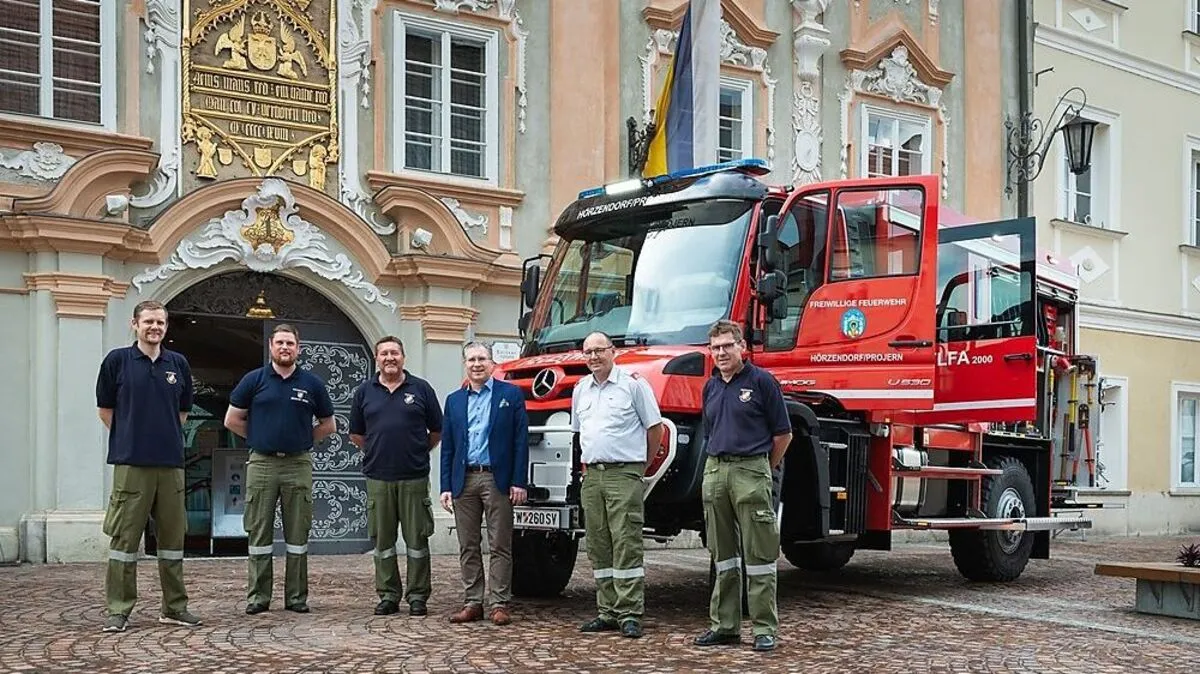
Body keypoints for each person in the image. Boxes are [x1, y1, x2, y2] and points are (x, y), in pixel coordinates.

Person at [95, 300, 201, 633]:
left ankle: (174, 607)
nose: (155, 327)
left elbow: (182, 413)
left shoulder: (178, 364)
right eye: (149, 322)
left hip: (171, 464)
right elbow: (105, 409)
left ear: (166, 327)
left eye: (160, 322)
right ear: (135, 324)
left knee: (172, 540)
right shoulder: (118, 361)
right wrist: (131, 435)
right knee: (124, 542)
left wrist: (161, 435)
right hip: (131, 464)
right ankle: (119, 609)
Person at [693, 319, 792, 652]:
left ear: (742, 347)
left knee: (760, 556)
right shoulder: (711, 386)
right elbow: (709, 432)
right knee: (723, 557)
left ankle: (764, 628)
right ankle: (725, 626)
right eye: (715, 347)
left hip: (751, 470)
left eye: (726, 346)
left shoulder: (762, 382)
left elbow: (784, 434)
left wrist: (764, 468)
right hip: (716, 470)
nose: (721, 353)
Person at [224, 323, 336, 615]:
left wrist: (302, 439)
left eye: (290, 344)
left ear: (298, 349)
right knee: (259, 531)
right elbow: (232, 420)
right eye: (280, 343)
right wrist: (259, 436)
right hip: (262, 462)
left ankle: (296, 597)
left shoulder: (312, 384)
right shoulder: (254, 380)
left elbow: (329, 425)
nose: (285, 348)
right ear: (270, 347)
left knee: (298, 533)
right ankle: (258, 597)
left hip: (298, 463)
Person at [572, 331, 663, 639]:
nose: (593, 357)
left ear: (613, 352)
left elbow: (655, 428)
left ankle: (630, 612)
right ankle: (607, 610)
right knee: (599, 545)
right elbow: (578, 433)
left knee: (626, 541)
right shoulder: (580, 389)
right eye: (588, 352)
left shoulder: (633, 385)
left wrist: (641, 467)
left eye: (599, 350)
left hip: (624, 473)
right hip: (592, 476)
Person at [349, 336, 442, 617]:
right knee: (383, 541)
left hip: (413, 477)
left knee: (417, 541)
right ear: (376, 358)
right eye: (384, 353)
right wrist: (379, 449)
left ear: (403, 357)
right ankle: (388, 595)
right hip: (378, 476)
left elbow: (437, 430)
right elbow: (356, 434)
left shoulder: (422, 389)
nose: (389, 358)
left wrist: (415, 450)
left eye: (394, 353)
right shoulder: (364, 392)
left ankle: (418, 596)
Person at [439, 341, 529, 626]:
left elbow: (520, 441)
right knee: (468, 544)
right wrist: (445, 485)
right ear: (464, 364)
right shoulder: (453, 400)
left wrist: (519, 481)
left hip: (497, 478)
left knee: (500, 543)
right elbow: (448, 447)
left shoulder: (510, 395)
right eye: (471, 359)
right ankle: (473, 601)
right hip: (463, 479)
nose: (476, 364)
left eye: (482, 359)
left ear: (492, 363)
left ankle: (499, 602)